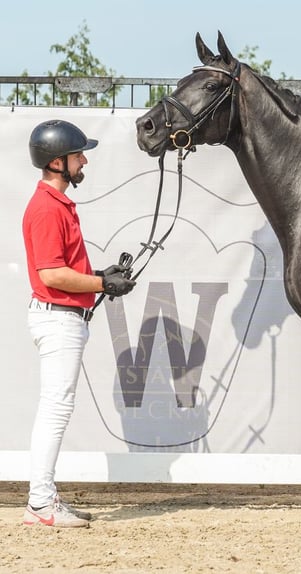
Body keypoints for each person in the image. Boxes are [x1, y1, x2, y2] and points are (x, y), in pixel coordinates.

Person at [22, 119, 136, 528]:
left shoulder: (57, 205)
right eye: (78, 155)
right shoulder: (47, 209)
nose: (84, 160)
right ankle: (40, 503)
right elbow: (51, 274)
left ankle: (43, 499)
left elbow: (63, 268)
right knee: (55, 409)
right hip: (59, 320)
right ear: (58, 163)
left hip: (64, 318)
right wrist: (102, 282)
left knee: (56, 407)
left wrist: (99, 276)